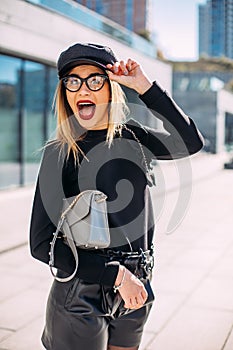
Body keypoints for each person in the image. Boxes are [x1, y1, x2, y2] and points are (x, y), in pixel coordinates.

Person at [29, 43, 204, 350]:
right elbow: (41, 244)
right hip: (82, 293)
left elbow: (190, 142)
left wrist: (145, 88)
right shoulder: (60, 152)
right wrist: (116, 277)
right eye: (73, 80)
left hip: (137, 285)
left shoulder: (134, 136)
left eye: (95, 79)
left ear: (111, 88)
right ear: (66, 93)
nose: (83, 88)